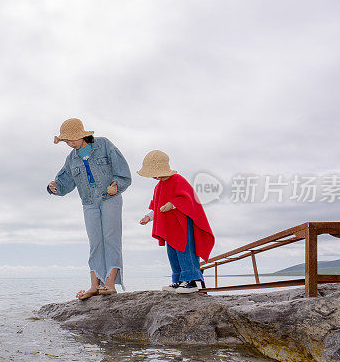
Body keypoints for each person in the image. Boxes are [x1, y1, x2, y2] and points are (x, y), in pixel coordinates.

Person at [47, 118, 131, 300]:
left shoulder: (104, 145)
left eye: (72, 140)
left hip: (110, 198)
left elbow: (122, 171)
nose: (70, 144)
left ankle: (109, 284)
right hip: (89, 202)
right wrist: (54, 187)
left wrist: (117, 184)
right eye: (66, 141)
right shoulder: (71, 158)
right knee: (95, 243)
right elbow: (64, 183)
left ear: (82, 135)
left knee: (111, 239)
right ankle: (95, 285)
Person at [137, 150, 215, 293]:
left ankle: (190, 281)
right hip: (169, 228)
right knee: (172, 253)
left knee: (185, 250)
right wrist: (149, 216)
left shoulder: (178, 180)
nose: (153, 176)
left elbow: (188, 199)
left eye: (154, 172)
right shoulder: (158, 186)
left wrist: (173, 204)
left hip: (182, 226)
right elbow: (156, 205)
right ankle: (179, 280)